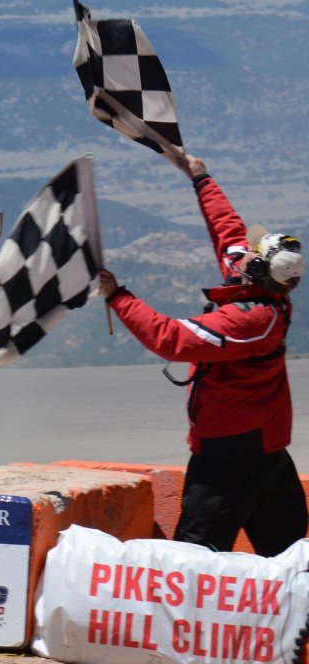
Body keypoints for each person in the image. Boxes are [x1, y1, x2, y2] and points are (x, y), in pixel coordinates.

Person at [98, 154, 307, 556]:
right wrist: (199, 176)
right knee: (287, 553)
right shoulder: (260, 292)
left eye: (252, 252)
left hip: (228, 457)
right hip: (264, 449)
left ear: (257, 270)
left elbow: (169, 338)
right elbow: (226, 228)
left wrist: (117, 296)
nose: (243, 251)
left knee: (195, 554)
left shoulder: (252, 320)